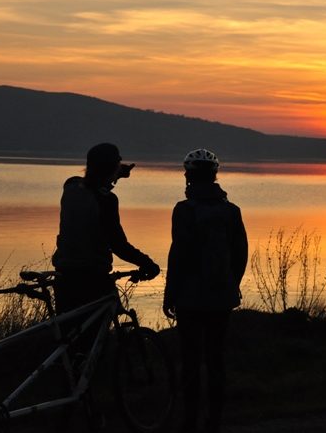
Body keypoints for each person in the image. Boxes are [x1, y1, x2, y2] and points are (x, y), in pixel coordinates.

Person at [163, 148, 248, 433]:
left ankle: (189, 421)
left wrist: (170, 292)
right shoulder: (231, 211)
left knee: (190, 360)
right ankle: (214, 421)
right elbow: (241, 254)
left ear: (189, 176)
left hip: (189, 296)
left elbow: (179, 254)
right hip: (221, 297)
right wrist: (231, 284)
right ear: (214, 176)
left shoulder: (184, 210)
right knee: (215, 359)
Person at [52, 143, 160, 313]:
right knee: (96, 331)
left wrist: (115, 173)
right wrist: (147, 263)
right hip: (92, 277)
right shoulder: (107, 201)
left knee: (70, 332)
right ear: (112, 168)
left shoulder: (71, 187)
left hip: (64, 274)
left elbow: (90, 185)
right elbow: (118, 244)